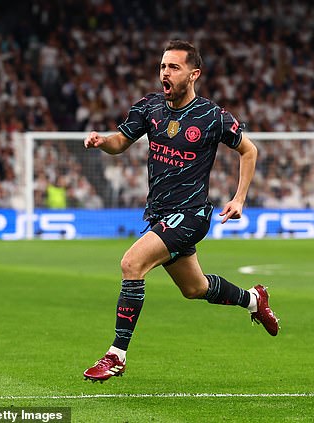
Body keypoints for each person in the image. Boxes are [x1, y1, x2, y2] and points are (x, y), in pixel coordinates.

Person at [82, 40, 280, 382]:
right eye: (162, 67)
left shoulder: (213, 117)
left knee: (132, 263)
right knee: (195, 289)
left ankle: (116, 355)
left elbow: (249, 151)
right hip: (159, 214)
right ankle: (253, 300)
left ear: (193, 74)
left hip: (191, 215)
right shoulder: (149, 108)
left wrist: (240, 197)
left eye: (173, 67)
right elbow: (121, 142)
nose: (165, 73)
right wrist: (103, 142)